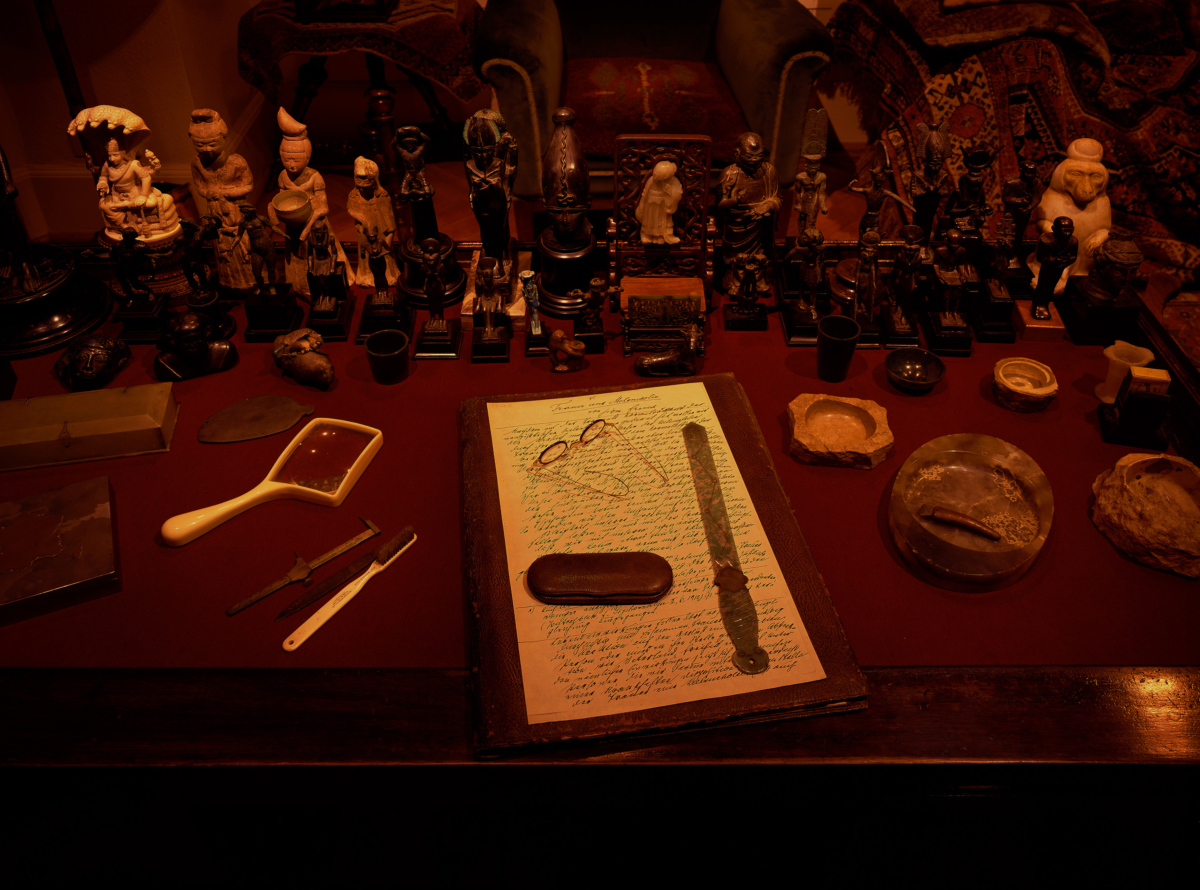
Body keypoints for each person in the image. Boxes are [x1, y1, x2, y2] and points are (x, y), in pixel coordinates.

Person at [188, 109, 255, 289]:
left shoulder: (236, 162)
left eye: (211, 144)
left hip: (236, 210)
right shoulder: (196, 163)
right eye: (200, 145)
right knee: (220, 243)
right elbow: (200, 185)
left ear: (223, 138)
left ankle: (251, 279)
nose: (206, 149)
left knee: (242, 244)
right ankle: (229, 280)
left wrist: (226, 193)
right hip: (215, 211)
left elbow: (248, 185)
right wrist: (207, 193)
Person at [716, 132, 780, 293]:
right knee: (734, 255)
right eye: (749, 157)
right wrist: (735, 200)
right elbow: (720, 204)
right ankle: (733, 277)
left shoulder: (769, 171)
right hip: (736, 224)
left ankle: (758, 278)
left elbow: (777, 198)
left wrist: (768, 206)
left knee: (760, 254)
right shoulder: (729, 174)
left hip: (760, 224)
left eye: (758, 156)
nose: (754, 161)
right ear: (737, 154)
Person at [635, 160, 683, 245]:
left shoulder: (673, 181)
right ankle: (646, 235)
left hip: (663, 206)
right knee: (649, 221)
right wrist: (641, 206)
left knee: (662, 223)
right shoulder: (651, 180)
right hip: (650, 205)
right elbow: (644, 194)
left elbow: (678, 193)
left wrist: (670, 190)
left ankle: (660, 236)